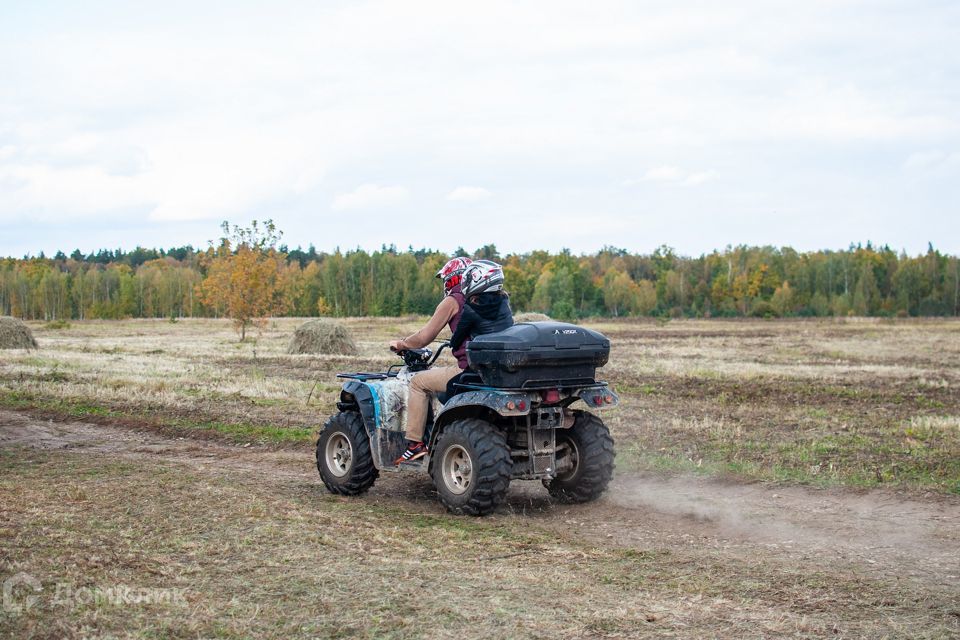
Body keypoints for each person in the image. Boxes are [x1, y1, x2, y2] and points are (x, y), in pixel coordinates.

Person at [390, 257, 471, 463]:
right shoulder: (481, 299)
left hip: (468, 368)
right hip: (486, 366)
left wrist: (402, 343)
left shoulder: (453, 300)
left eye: (445, 279)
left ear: (452, 279)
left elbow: (425, 336)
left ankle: (415, 444)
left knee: (418, 382)